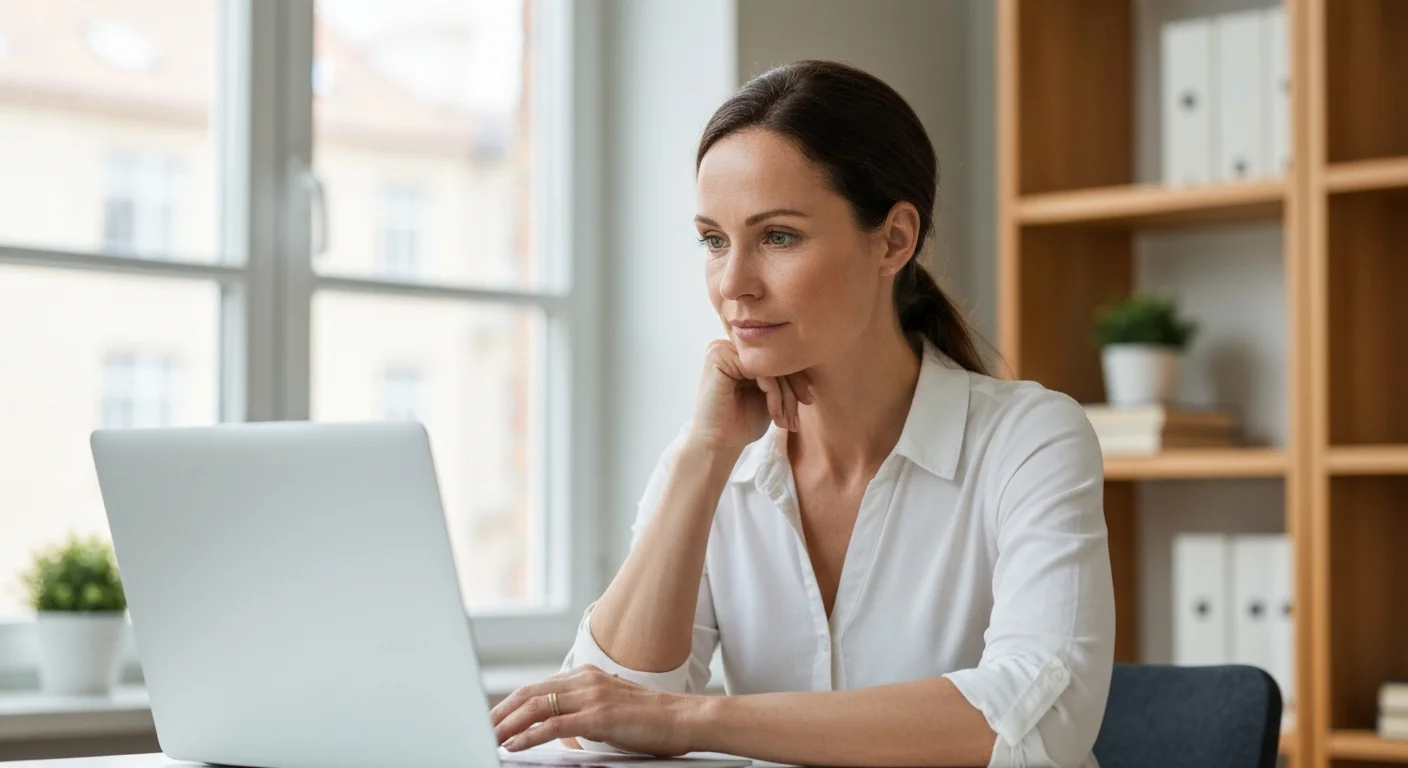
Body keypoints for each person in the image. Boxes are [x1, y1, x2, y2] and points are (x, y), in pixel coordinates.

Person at [491, 60, 1114, 768]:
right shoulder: (710, 461)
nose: (733, 285)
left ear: (893, 240)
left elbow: (1038, 726)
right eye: (713, 240)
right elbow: (604, 723)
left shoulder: (1029, 441)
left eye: (778, 237)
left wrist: (698, 719)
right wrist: (703, 458)